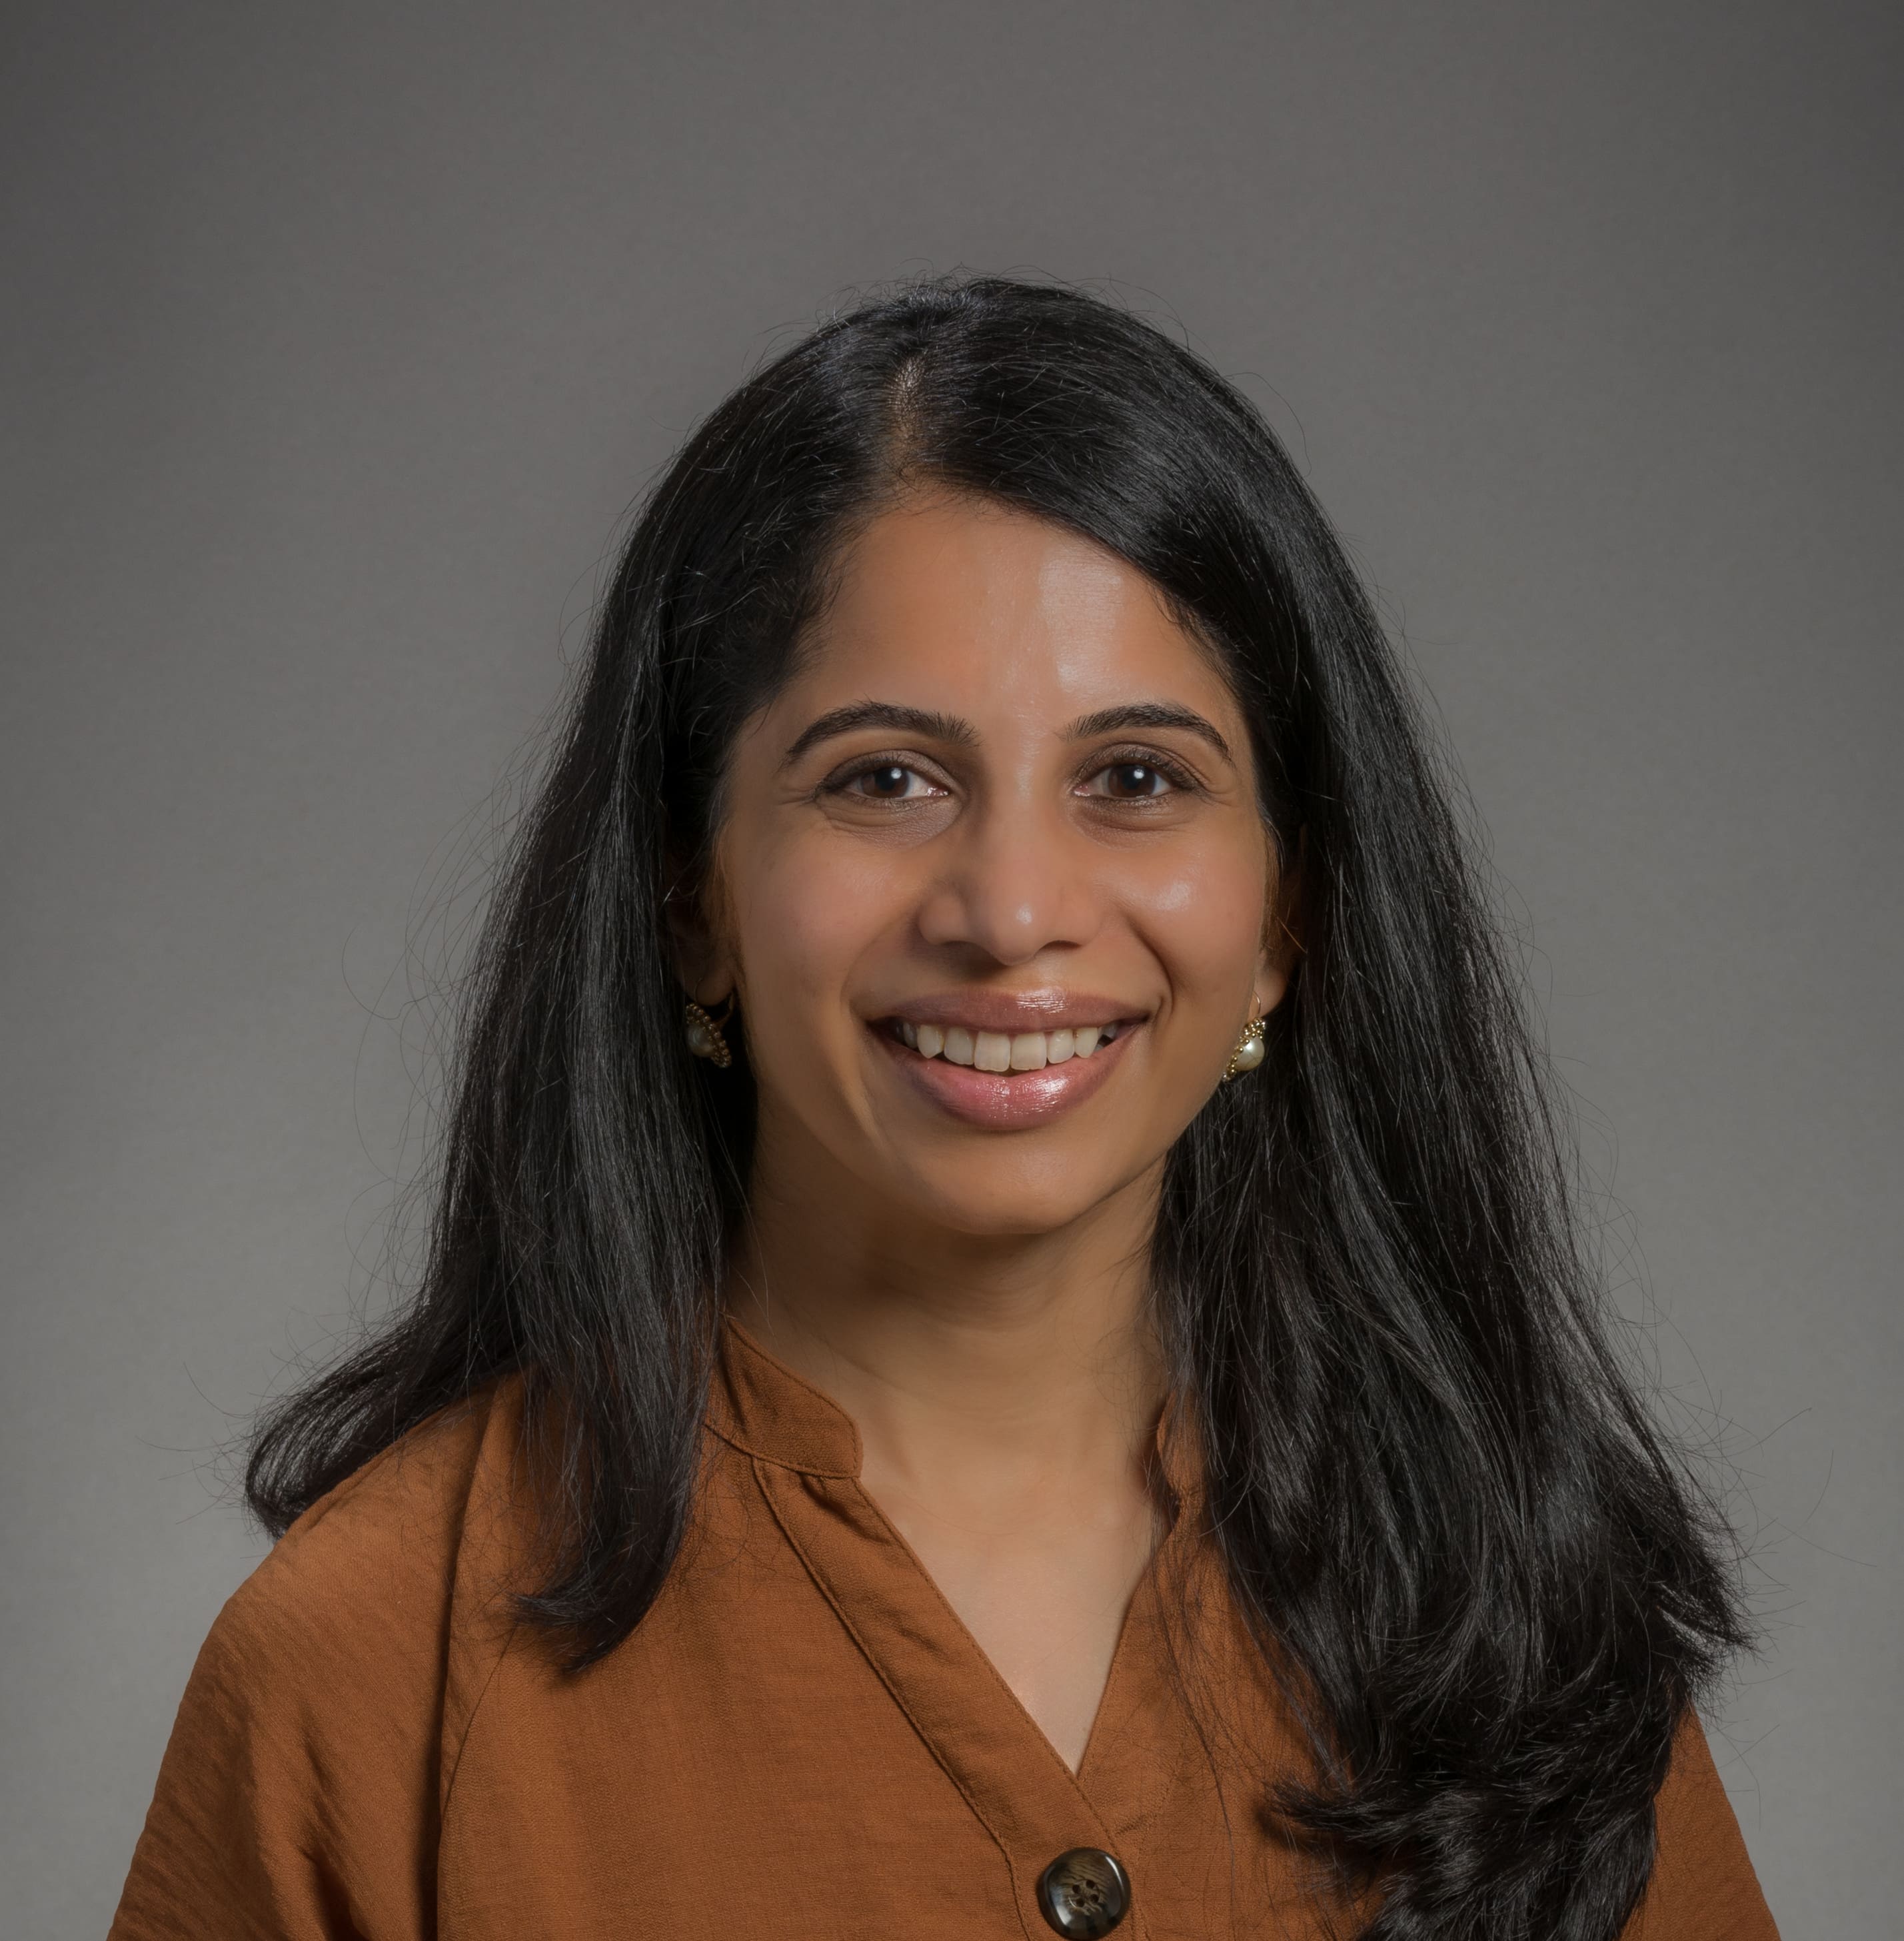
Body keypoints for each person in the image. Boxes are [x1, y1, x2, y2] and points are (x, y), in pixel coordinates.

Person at [110, 276, 1778, 1940]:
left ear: (1287, 917)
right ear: (692, 894)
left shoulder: (1510, 1621)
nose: (1010, 906)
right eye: (883, 777)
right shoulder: (369, 1666)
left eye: (1137, 778)